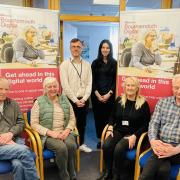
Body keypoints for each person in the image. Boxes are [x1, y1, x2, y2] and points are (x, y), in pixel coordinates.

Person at [98, 77, 150, 180]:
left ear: (137, 88)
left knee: (119, 148)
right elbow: (112, 116)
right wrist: (110, 127)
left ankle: (117, 175)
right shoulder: (119, 100)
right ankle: (108, 172)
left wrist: (135, 136)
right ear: (125, 87)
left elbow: (146, 124)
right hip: (119, 130)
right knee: (107, 145)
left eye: (132, 85)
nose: (130, 88)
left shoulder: (143, 103)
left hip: (133, 133)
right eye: (128, 85)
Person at [31, 77, 77, 180]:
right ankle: (64, 175)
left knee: (71, 145)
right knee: (61, 147)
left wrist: (67, 130)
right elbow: (34, 124)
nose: (52, 89)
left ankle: (72, 172)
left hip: (65, 131)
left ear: (58, 87)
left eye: (55, 86)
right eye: (49, 86)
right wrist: (51, 133)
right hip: (48, 135)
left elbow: (72, 118)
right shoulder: (38, 102)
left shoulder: (65, 99)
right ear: (45, 88)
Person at [139, 74, 180, 180]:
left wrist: (176, 150)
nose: (179, 91)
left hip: (178, 149)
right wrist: (153, 140)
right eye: (176, 88)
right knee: (163, 170)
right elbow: (153, 124)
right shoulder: (163, 102)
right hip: (160, 144)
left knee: (147, 174)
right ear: (172, 87)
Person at [0, 77, 39, 180]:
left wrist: (11, 134)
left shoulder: (14, 104)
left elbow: (21, 123)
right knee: (25, 151)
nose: (3, 92)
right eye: (0, 89)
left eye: (6, 89)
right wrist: (3, 140)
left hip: (15, 141)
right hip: (2, 145)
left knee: (18, 164)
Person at [60, 38, 92, 153]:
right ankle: (71, 146)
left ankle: (81, 143)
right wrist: (75, 100)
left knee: (82, 123)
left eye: (78, 46)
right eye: (73, 46)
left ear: (82, 48)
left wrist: (84, 98)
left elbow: (89, 83)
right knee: (69, 123)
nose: (76, 49)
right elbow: (65, 85)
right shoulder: (64, 65)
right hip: (69, 100)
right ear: (70, 48)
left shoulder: (87, 65)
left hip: (83, 99)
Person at [91, 39, 117, 149]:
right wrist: (97, 94)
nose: (105, 49)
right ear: (100, 49)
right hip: (97, 96)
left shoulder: (115, 63)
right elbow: (92, 80)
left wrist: (109, 94)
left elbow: (116, 80)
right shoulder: (95, 63)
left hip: (110, 96)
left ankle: (107, 138)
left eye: (107, 47)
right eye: (103, 47)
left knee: (109, 117)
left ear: (110, 49)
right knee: (99, 118)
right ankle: (100, 139)